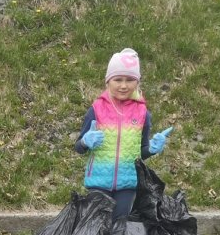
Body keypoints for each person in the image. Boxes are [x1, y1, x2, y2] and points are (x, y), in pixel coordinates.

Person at [74, 47, 173, 219]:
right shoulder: (96, 110)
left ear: (137, 82)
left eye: (129, 80)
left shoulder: (143, 114)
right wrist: (85, 142)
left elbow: (141, 152)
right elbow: (78, 147)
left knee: (119, 229)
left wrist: (152, 149)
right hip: (98, 183)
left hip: (127, 184)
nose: (123, 85)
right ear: (108, 81)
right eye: (117, 79)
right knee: (96, 230)